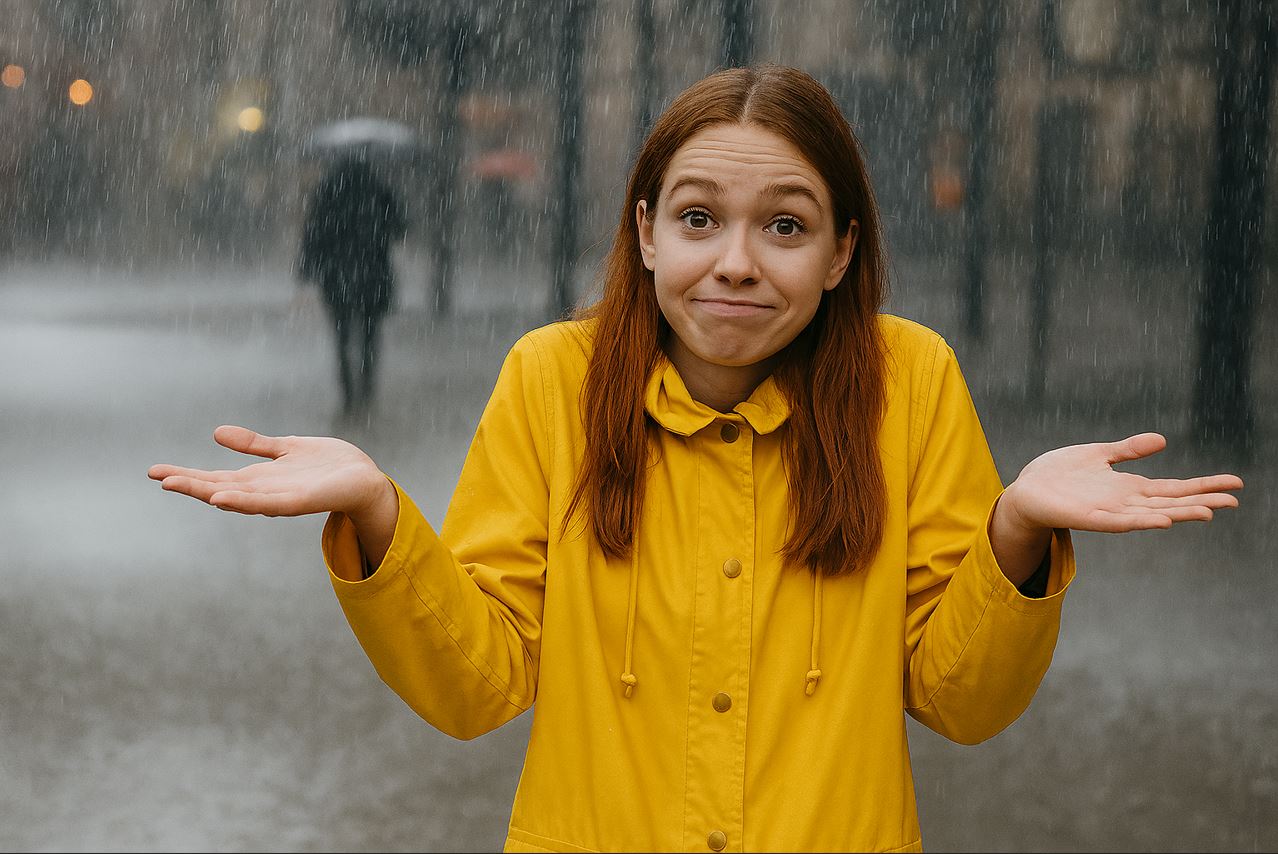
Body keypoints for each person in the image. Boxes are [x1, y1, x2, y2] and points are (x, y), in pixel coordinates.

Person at [149, 66, 1243, 852]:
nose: (734, 263)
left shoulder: (908, 380)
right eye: (698, 217)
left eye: (785, 226)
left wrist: (1016, 535)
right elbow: (480, 680)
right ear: (644, 232)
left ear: (841, 251)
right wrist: (380, 515)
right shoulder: (554, 380)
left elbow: (958, 697)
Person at [297, 153, 407, 418]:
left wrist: (307, 268)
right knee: (370, 337)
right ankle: (367, 391)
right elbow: (400, 228)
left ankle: (348, 395)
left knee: (341, 337)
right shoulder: (379, 188)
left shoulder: (327, 190)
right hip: (373, 276)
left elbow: (313, 232)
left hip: (336, 277)